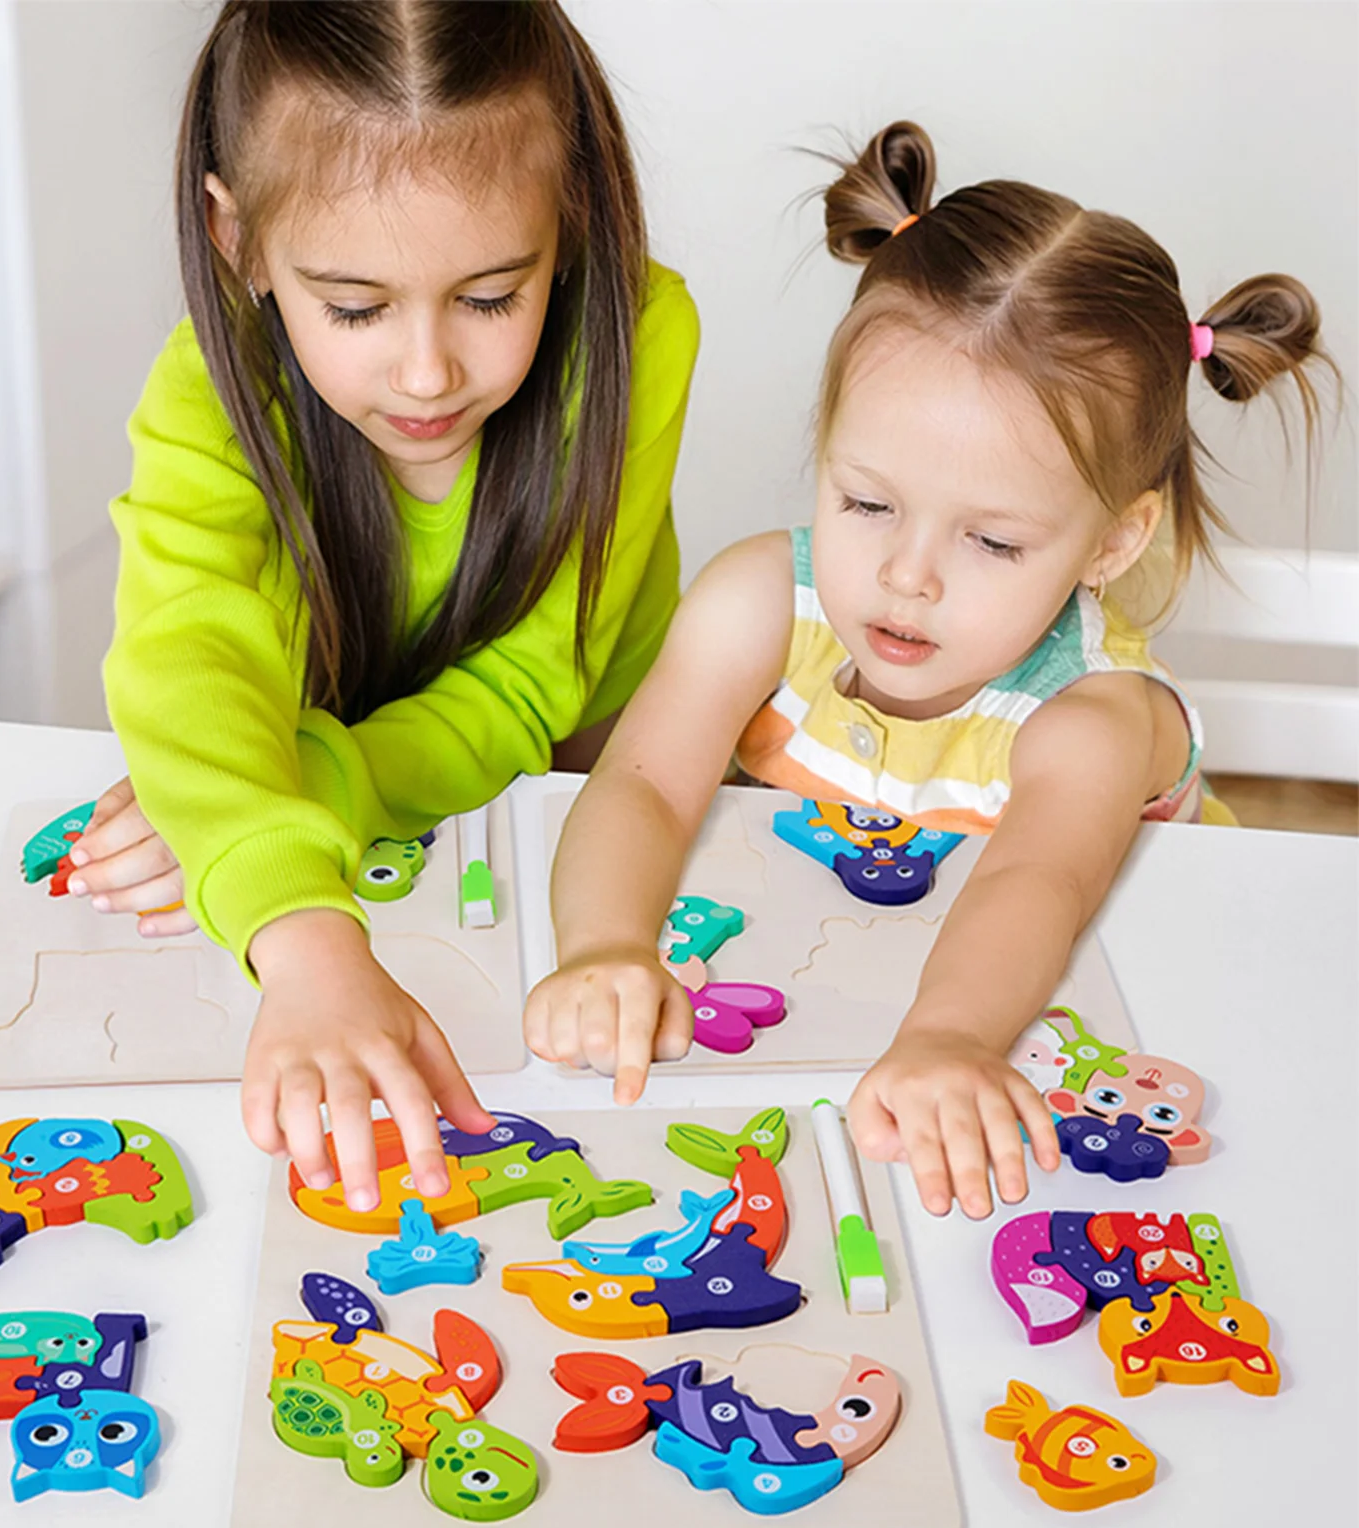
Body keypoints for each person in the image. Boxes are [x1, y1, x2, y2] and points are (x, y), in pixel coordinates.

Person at [523, 120, 1332, 1219]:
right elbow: (643, 782)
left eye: (990, 542)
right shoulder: (760, 599)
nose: (906, 578)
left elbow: (1033, 884)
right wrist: (605, 945)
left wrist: (950, 1036)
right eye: (867, 502)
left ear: (1110, 543)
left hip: (1117, 1026)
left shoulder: (1093, 720)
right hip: (849, 982)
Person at [64, 1, 699, 1213]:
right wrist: (296, 918)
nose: (425, 373)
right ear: (236, 237)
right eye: (355, 307)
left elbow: (531, 689)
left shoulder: (645, 331)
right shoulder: (210, 386)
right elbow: (185, 648)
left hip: (583, 789)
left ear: (567, 218)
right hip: (341, 827)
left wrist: (290, 793)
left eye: (491, 296)